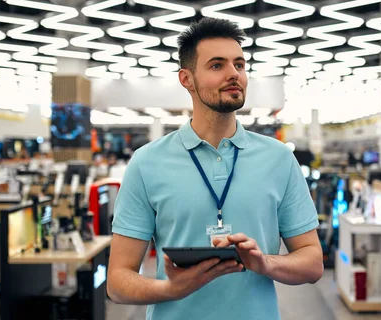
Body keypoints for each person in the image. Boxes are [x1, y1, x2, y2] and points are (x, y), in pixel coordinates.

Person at [106, 17, 323, 320]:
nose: (234, 74)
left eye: (240, 64)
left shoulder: (279, 159)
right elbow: (117, 281)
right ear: (187, 79)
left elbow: (313, 263)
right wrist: (172, 289)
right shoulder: (146, 163)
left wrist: (264, 263)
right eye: (217, 65)